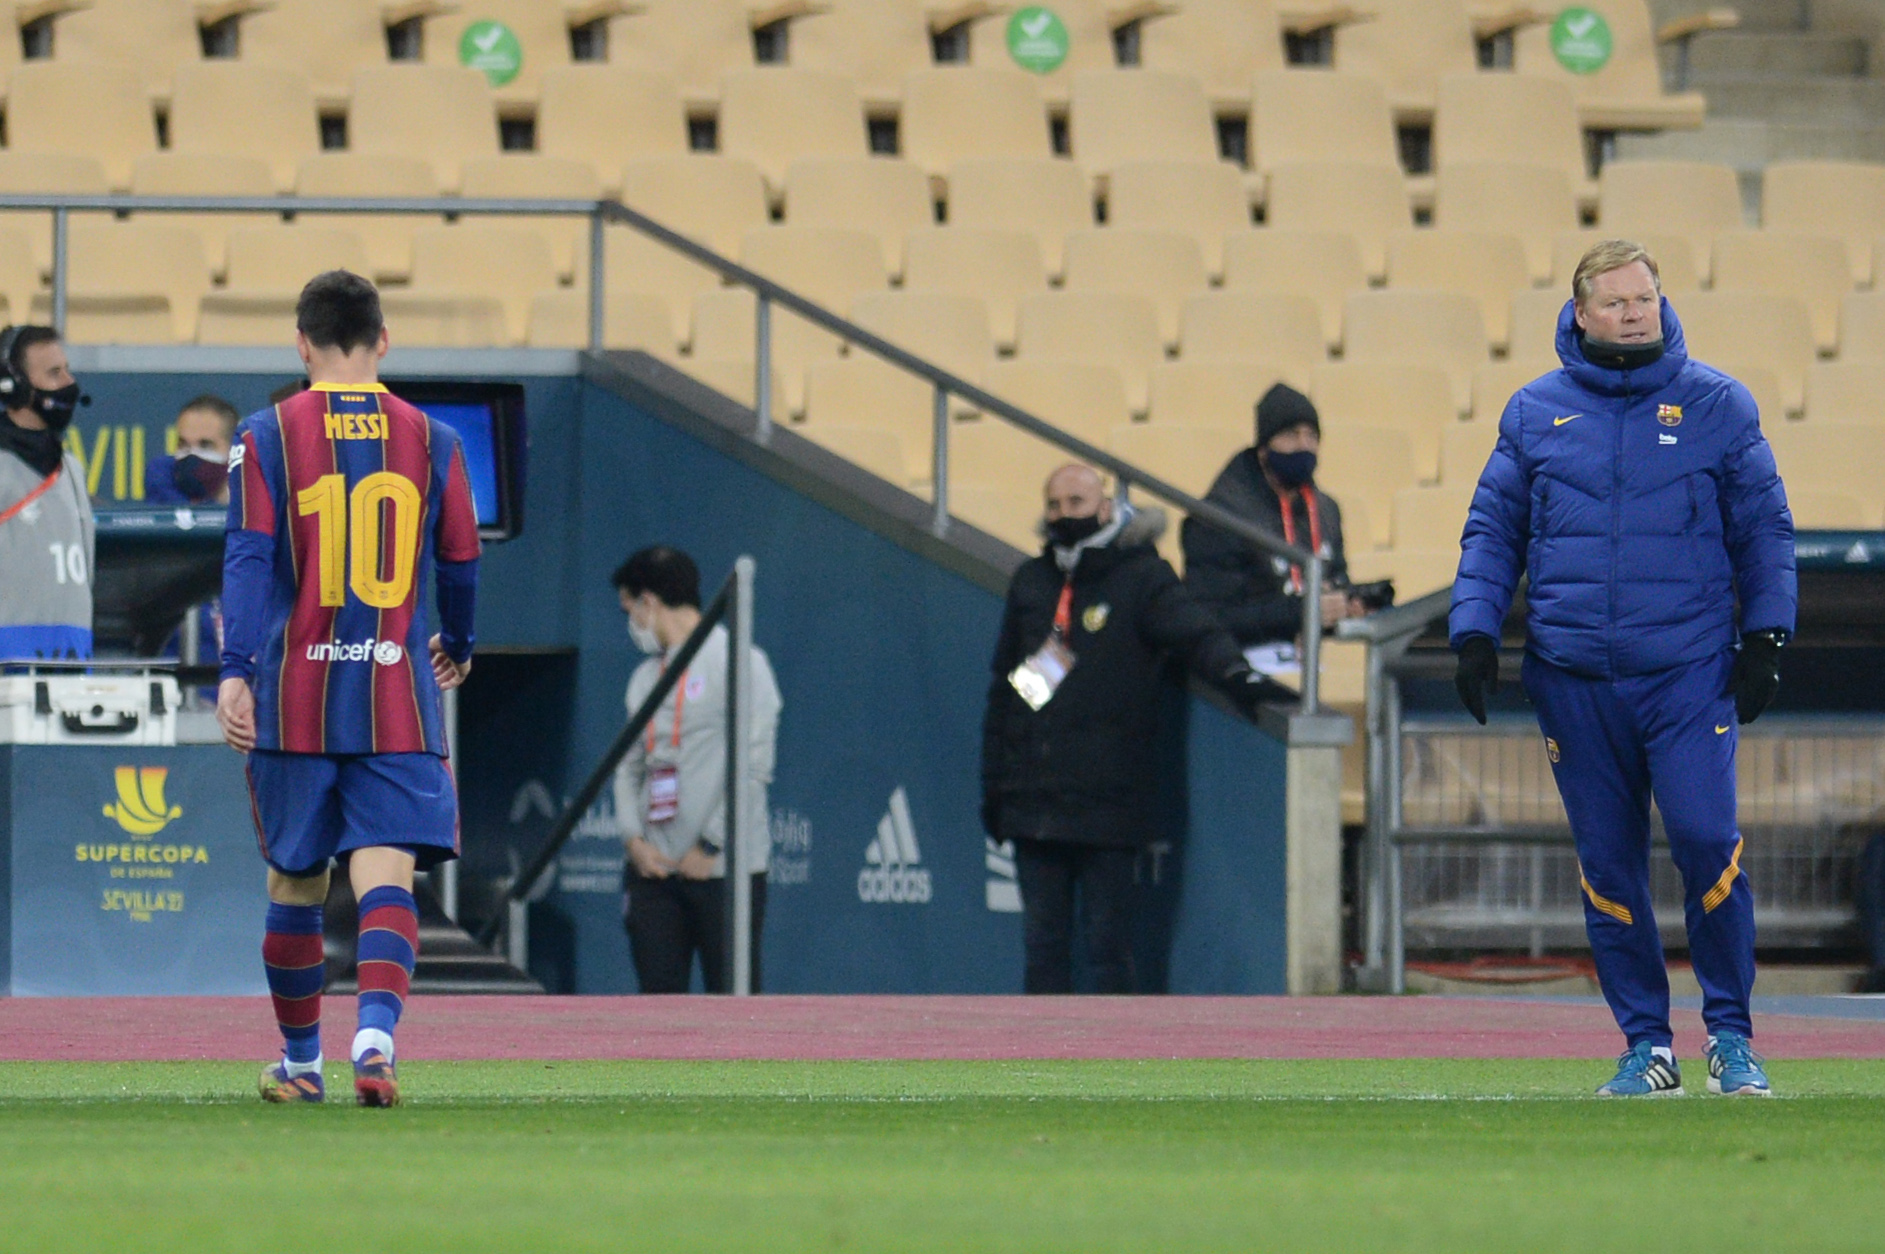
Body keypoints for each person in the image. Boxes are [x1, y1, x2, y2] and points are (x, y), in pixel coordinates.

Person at [1450, 240, 1795, 1098]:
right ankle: (1646, 1045)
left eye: (1645, 296)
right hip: (1570, 677)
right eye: (1617, 302)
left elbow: (1765, 531)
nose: (1636, 311)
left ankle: (1730, 1036)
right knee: (1607, 866)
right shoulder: (1533, 413)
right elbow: (1492, 532)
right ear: (1580, 312)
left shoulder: (1717, 404)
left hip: (1685, 674)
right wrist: (1472, 631)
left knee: (1708, 843)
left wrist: (1769, 639)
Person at [217, 271, 482, 1107]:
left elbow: (249, 557)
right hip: (395, 694)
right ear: (383, 341)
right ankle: (375, 1041)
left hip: (296, 694)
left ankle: (302, 1066)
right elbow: (462, 559)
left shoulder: (267, 434)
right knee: (385, 878)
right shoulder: (435, 439)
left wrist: (235, 673)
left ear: (301, 345)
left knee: (297, 883)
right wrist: (460, 642)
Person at [982, 463, 1289, 994]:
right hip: (1035, 807)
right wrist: (995, 790)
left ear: (1105, 508)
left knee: (1109, 953)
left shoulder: (1142, 577)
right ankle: (1033, 1071)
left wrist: (1238, 673)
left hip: (1109, 803)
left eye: (1076, 503)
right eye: (1054, 505)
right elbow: (1006, 693)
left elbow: (1197, 633)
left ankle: (1117, 1071)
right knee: (1042, 953)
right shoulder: (1031, 582)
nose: (1062, 515)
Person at [612, 545, 781, 994]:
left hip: (724, 872)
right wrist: (633, 840)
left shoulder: (742, 661)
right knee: (658, 1012)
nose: (633, 625)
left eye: (630, 610)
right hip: (655, 874)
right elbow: (626, 769)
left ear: (649, 602)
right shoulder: (644, 679)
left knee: (734, 1012)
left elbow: (755, 765)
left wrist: (711, 844)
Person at [1182, 382, 1365, 648]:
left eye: (1312, 436)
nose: (1304, 445)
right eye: (1291, 434)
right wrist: (1298, 613)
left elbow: (1337, 576)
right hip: (1243, 663)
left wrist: (1348, 603)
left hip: (1312, 659)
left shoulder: (1326, 510)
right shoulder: (1219, 516)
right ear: (1264, 448)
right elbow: (1212, 616)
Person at [0, 325, 93, 660]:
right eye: (54, 374)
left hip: (73, 652)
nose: (68, 383)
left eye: (67, 370)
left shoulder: (71, 469)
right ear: (14, 387)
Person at [145, 394, 239, 506]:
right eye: (183, 444)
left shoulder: (251, 486)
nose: (192, 454)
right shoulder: (162, 472)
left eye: (205, 446)